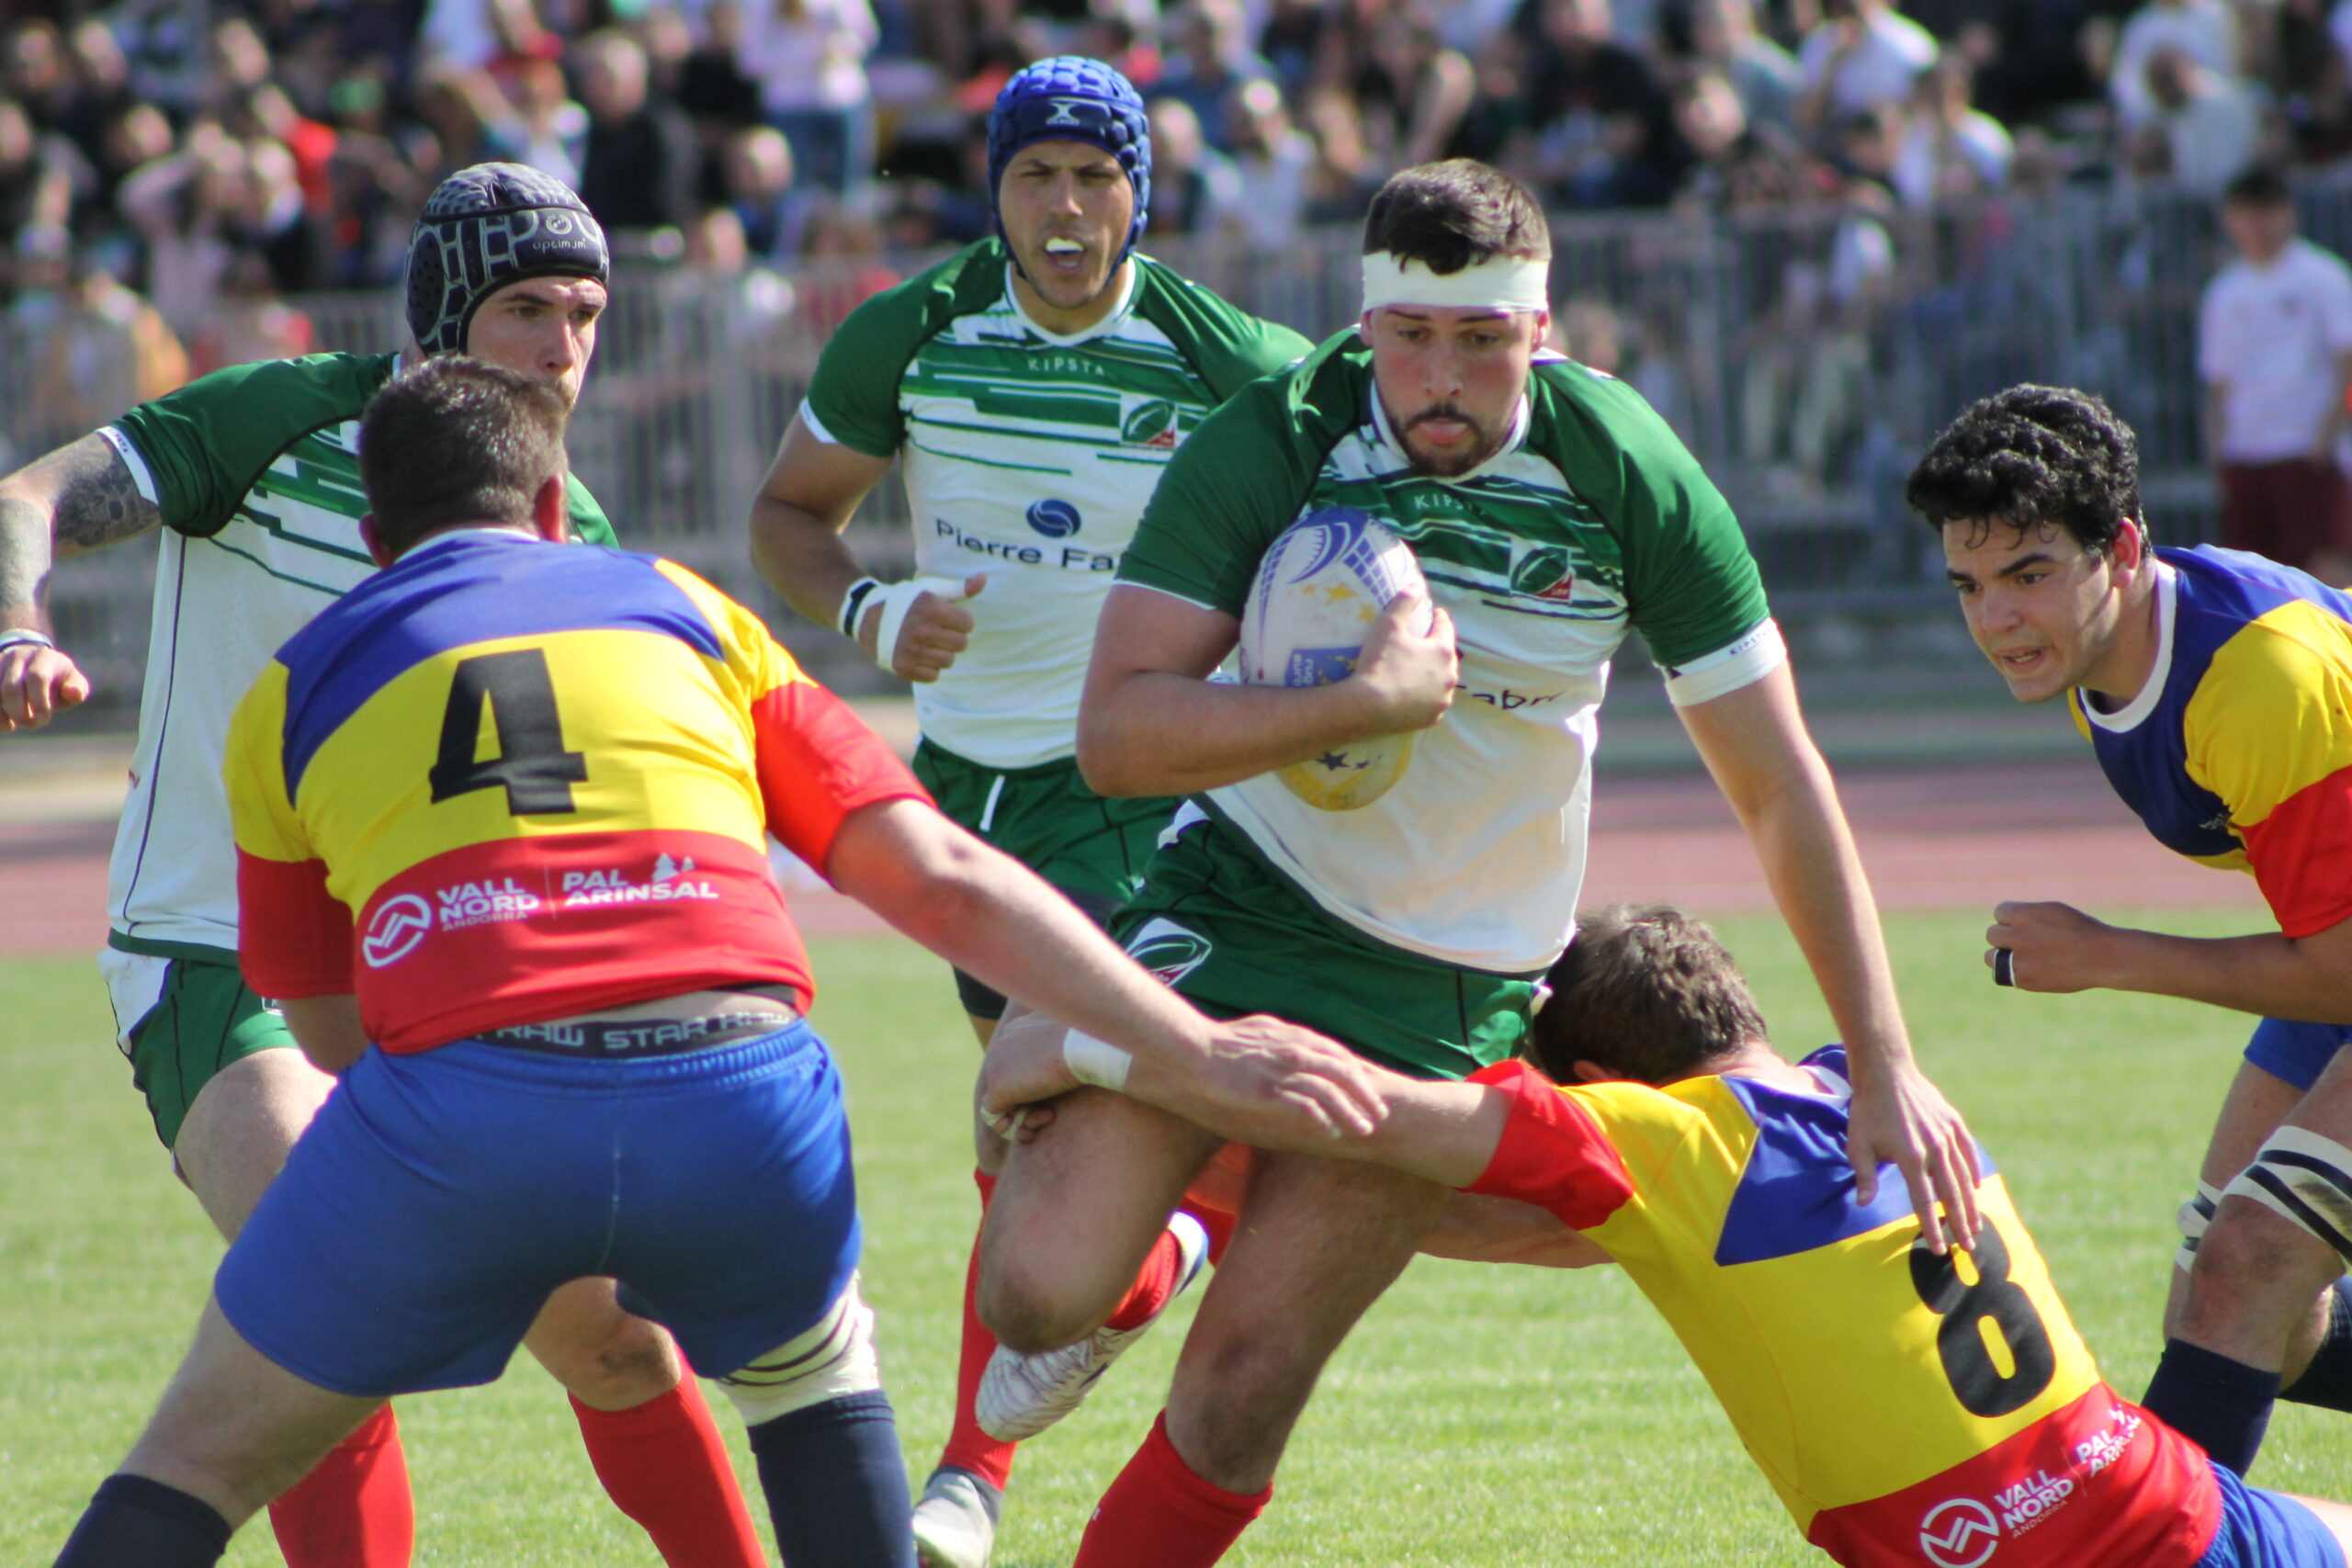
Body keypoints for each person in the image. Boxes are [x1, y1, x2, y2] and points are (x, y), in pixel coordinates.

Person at [45, 354, 1389, 1568]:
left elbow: (327, 1026)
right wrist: (1196, 1044)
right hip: (740, 1093)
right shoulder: (690, 610)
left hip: (459, 1116)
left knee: (192, 1461)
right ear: (558, 507)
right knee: (815, 1373)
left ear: (375, 536)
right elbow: (941, 875)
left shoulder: (293, 686)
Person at [973, 156, 1978, 1568]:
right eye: (1412, 338)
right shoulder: (1281, 433)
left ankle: (1143, 1118)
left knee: (1242, 1396)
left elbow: (1775, 776)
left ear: (1543, 329)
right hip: (1240, 900)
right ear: (1367, 320)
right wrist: (1359, 704)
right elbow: (1119, 735)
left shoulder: (1626, 467)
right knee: (1036, 1292)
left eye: (1484, 341)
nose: (1441, 378)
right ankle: (1140, 1191)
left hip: (1449, 985)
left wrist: (1884, 1058)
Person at [1, 164, 769, 1568]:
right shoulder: (283, 417)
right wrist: (14, 625)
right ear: (443, 304)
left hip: (448, 962)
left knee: (610, 1336)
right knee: (327, 1296)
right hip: (210, 952)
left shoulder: (568, 524)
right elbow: (28, 496)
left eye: (588, 313)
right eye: (530, 306)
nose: (565, 346)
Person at [977, 903, 2352, 1568]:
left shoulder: (1667, 1148)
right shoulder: (1866, 1091)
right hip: (2186, 1503)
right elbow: (1530, 1231)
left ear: (1603, 1088)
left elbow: (1376, 1113)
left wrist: (1086, 1044)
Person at [744, 55, 1312, 1568]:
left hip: (1137, 792)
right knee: (1040, 1129)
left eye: (1095, 175)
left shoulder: (1222, 350)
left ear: (1140, 192)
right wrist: (868, 610)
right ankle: (1170, 1253)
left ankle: (969, 1476)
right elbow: (789, 514)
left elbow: (1357, 480)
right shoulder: (911, 332)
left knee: (1039, 1092)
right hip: (967, 801)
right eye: (1035, 176)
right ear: (994, 191)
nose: (1066, 206)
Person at [1909, 382, 2352, 1478]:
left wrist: (2105, 954)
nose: (1995, 619)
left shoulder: (2253, 678)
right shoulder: (2098, 653)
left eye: (2026, 575)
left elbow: (2345, 973)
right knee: (2236, 1301)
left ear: (2119, 546)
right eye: (1968, 585)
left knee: (2248, 1262)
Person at [2199, 165, 2352, 584]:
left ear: (2288, 214)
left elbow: (2348, 362)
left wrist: (2327, 432)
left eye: (2267, 211)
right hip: (2248, 451)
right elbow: (2218, 381)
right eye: (2246, 213)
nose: (2257, 224)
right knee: (2255, 578)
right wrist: (2219, 450)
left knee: (2326, 571)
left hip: (2307, 449)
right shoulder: (2225, 292)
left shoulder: (2324, 276)